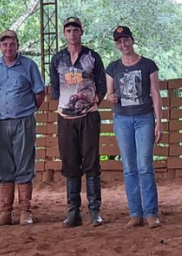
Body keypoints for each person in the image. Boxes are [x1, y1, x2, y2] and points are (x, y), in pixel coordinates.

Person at [50, 16, 106, 227]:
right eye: (68, 30)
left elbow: (102, 86)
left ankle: (94, 210)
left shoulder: (92, 56)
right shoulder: (57, 59)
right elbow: (54, 89)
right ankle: (73, 211)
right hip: (65, 117)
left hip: (89, 115)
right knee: (70, 162)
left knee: (91, 161)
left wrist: (92, 102)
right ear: (64, 34)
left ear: (81, 32)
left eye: (75, 29)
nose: (72, 33)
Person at [105, 26, 162, 228]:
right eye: (119, 42)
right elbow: (109, 94)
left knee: (145, 165)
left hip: (144, 118)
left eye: (126, 40)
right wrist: (111, 97)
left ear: (132, 40)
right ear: (116, 45)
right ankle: (135, 213)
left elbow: (155, 93)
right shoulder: (112, 67)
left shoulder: (148, 65)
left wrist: (159, 122)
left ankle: (151, 212)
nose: (124, 45)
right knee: (129, 167)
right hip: (122, 119)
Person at [0, 29, 44, 226]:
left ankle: (25, 211)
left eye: (12, 44)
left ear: (17, 45)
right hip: (1, 122)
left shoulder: (28, 65)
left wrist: (28, 111)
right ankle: (5, 211)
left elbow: (40, 92)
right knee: (4, 164)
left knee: (24, 163)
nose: (8, 47)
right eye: (4, 44)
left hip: (23, 121)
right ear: (0, 46)